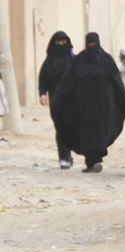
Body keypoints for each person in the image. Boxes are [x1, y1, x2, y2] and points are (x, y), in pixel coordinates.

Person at [51, 32, 125, 173]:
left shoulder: (106, 60)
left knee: (100, 131)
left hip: (102, 106)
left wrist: (124, 99)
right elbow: (67, 80)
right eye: (89, 45)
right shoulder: (79, 60)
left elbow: (116, 82)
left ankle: (94, 160)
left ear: (99, 44)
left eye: (94, 45)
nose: (92, 47)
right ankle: (92, 162)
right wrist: (57, 98)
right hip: (83, 106)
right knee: (86, 132)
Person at [38, 31, 75, 169]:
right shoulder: (48, 63)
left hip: (71, 100)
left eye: (64, 43)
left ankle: (69, 154)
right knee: (60, 127)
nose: (61, 45)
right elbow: (43, 80)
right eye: (58, 43)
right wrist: (42, 94)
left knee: (69, 127)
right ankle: (64, 158)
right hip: (55, 100)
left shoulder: (73, 61)